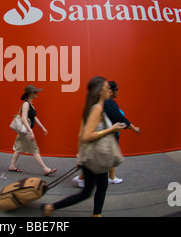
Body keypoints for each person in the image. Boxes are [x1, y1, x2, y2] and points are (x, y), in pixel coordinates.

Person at [42, 76, 124, 217]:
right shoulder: (97, 109)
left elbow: (80, 135)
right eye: (106, 88)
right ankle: (94, 214)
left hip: (89, 157)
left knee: (90, 191)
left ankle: (52, 207)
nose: (109, 91)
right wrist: (111, 130)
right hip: (95, 158)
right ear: (99, 91)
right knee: (95, 189)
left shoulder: (89, 108)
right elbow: (86, 136)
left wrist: (80, 156)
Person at [8, 85, 57, 176]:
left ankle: (12, 166)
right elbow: (23, 118)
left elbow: (34, 117)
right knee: (35, 150)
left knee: (18, 148)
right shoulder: (26, 104)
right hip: (26, 131)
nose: (36, 93)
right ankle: (45, 169)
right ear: (30, 93)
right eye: (35, 92)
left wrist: (42, 127)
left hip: (25, 131)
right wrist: (31, 132)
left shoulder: (31, 104)